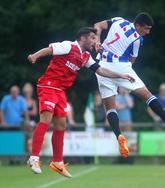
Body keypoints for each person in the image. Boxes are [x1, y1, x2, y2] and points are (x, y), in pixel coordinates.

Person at [26, 27, 135, 177]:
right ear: (83, 38)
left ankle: (57, 162)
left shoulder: (85, 56)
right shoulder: (68, 46)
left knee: (61, 125)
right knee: (46, 119)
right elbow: (50, 49)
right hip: (48, 86)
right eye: (92, 38)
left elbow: (100, 70)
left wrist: (121, 75)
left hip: (60, 91)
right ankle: (34, 158)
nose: (94, 41)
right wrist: (35, 56)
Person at [94, 12, 165, 158]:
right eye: (146, 28)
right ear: (137, 25)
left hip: (101, 67)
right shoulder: (137, 39)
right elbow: (132, 61)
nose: (147, 32)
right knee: (147, 95)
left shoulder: (118, 20)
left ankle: (119, 136)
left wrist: (97, 41)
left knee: (110, 107)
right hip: (121, 66)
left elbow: (97, 25)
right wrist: (121, 78)